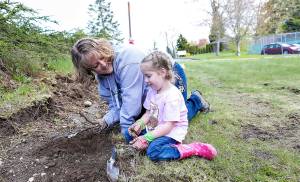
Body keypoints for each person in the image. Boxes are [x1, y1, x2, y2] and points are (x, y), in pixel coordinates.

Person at [70, 38, 209, 138]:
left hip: (166, 75)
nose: (103, 65)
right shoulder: (103, 80)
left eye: (102, 57)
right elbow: (117, 106)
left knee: (170, 120)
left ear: (103, 49)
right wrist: (106, 121)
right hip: (149, 90)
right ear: (88, 70)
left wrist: (126, 132)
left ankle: (196, 100)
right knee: (147, 120)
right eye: (95, 66)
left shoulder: (127, 58)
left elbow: (131, 101)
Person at [126, 51, 217, 161]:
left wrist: (146, 138)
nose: (145, 80)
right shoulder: (152, 90)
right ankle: (149, 142)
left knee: (153, 152)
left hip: (170, 132)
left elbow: (169, 126)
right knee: (128, 133)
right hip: (156, 128)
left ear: (162, 72)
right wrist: (140, 123)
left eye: (148, 76)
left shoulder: (172, 96)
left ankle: (190, 149)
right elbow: (148, 113)